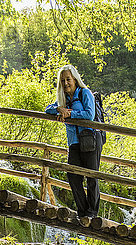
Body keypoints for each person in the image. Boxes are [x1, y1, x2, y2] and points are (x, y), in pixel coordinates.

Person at [45, 64, 103, 219]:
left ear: (75, 79)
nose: (65, 83)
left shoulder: (85, 93)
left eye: (68, 79)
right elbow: (47, 109)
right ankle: (83, 211)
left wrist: (69, 113)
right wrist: (58, 109)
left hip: (90, 139)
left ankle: (92, 213)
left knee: (91, 177)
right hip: (74, 142)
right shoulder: (62, 99)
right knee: (73, 176)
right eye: (62, 80)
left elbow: (89, 115)